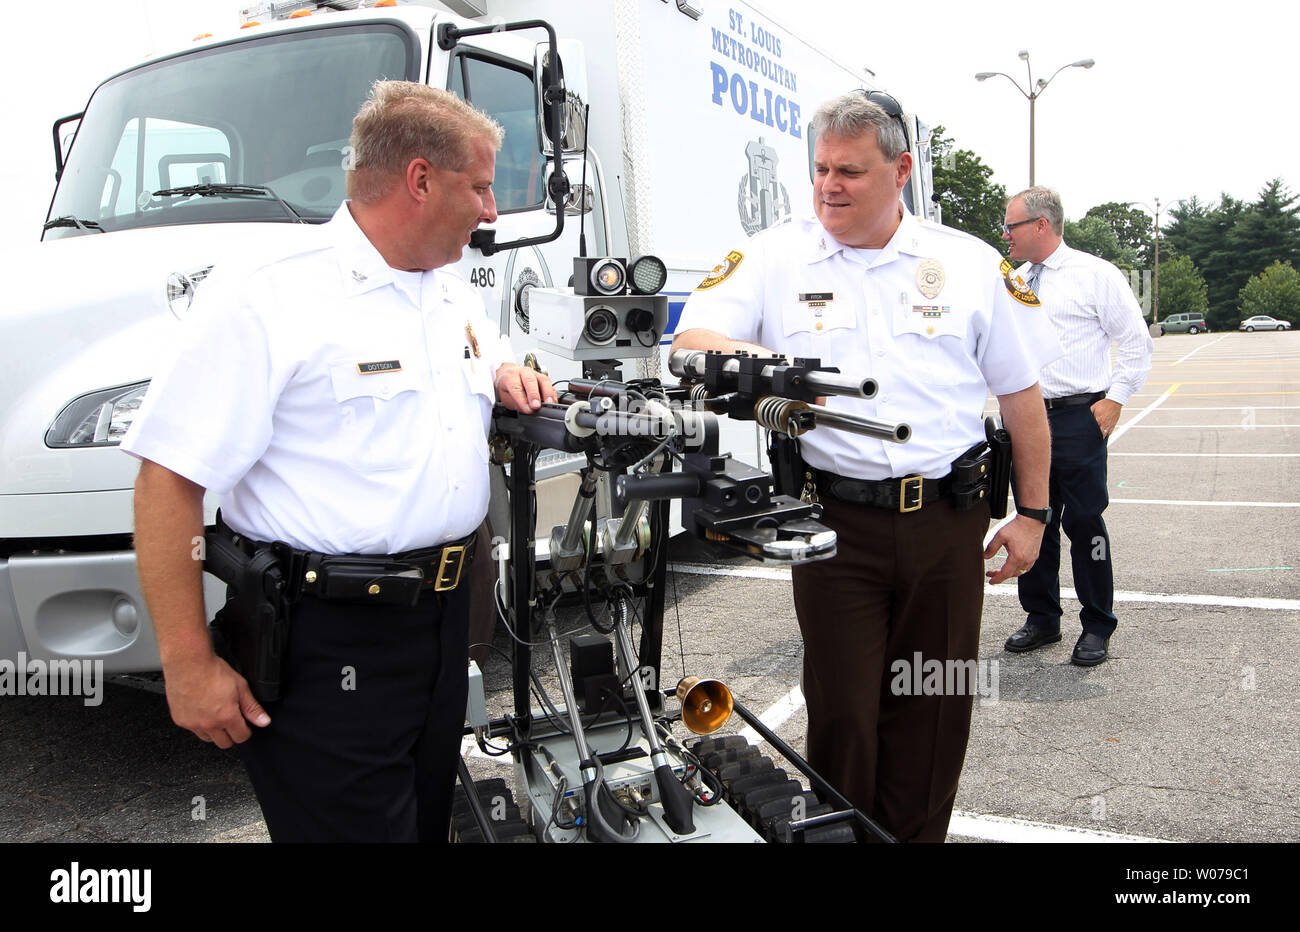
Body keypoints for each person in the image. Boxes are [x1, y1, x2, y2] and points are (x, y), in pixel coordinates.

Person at [124, 81, 555, 842]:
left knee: (424, 826)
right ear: (420, 180)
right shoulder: (271, 292)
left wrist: (501, 375)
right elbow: (168, 480)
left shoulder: (451, 293)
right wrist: (187, 664)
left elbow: (457, 369)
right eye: (481, 186)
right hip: (329, 641)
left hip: (443, 623)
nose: (492, 211)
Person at [672, 92, 1059, 842]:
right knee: (844, 713)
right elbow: (691, 342)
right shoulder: (776, 254)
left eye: (849, 170)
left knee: (934, 712)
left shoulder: (969, 264)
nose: (828, 187)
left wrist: (1035, 516)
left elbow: (1021, 396)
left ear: (901, 169)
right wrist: (769, 363)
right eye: (819, 169)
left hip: (949, 524)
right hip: (834, 527)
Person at [1001, 187, 1153, 667]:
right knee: (1034, 519)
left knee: (1084, 522)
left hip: (1078, 416)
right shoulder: (1016, 281)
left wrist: (1115, 400)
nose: (1005, 235)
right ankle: (1041, 618)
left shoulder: (1096, 275)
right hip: (1028, 419)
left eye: (1012, 226)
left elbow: (1135, 343)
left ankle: (1097, 624)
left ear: (1040, 225)